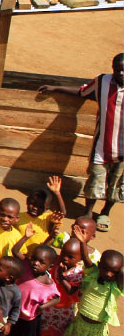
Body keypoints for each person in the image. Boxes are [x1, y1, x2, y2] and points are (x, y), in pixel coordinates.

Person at [39, 53, 124, 231]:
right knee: (95, 179)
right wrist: (56, 88)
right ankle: (88, 212)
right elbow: (83, 91)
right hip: (102, 145)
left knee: (116, 183)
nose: (121, 73)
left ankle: (105, 213)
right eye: (117, 70)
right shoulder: (103, 81)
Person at [6, 244, 60, 336]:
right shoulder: (25, 268)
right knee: (11, 335)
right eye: (34, 259)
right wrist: (26, 238)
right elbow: (15, 250)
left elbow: (57, 298)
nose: (36, 263)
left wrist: (43, 307)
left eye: (41, 262)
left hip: (30, 318)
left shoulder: (48, 282)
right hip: (14, 312)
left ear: (50, 266)